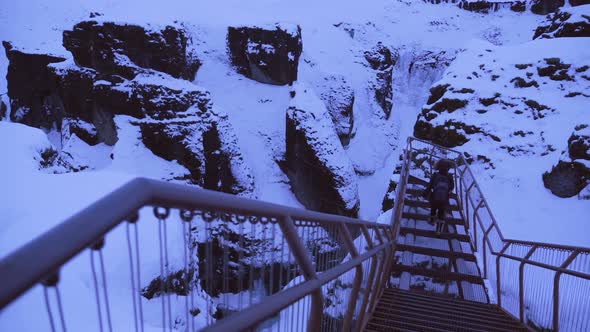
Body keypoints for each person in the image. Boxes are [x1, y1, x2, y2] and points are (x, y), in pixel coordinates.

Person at [423, 160, 455, 234]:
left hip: (435, 197)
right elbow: (452, 187)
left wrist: (424, 195)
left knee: (433, 208)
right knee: (441, 212)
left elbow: (429, 186)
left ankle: (432, 219)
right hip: (444, 199)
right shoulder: (449, 176)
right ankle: (439, 229)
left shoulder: (435, 175)